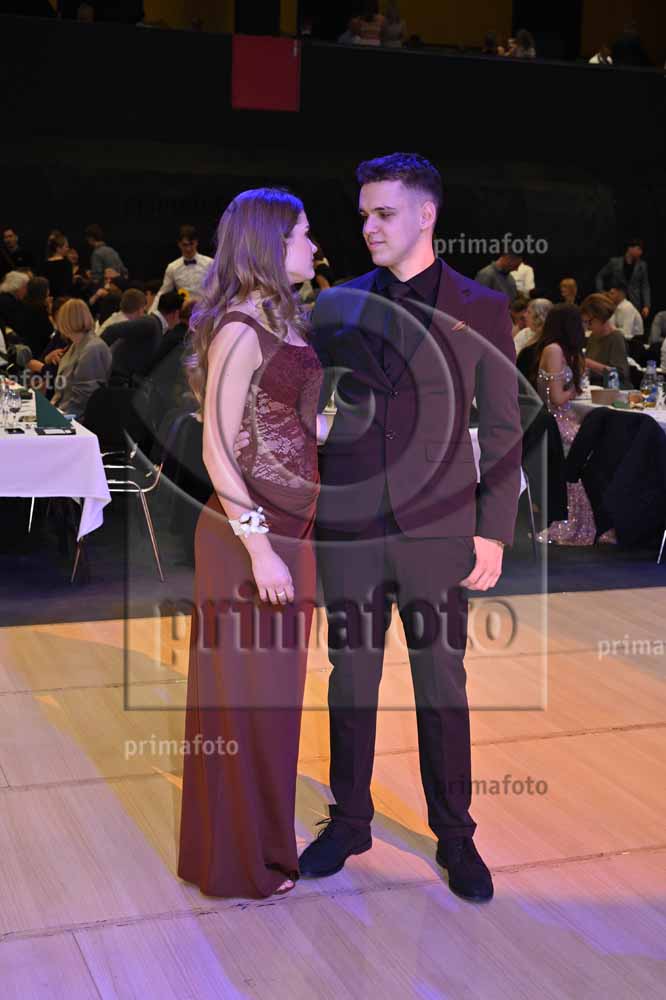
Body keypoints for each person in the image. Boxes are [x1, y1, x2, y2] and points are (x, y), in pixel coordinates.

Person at [298, 153, 522, 903]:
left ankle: (455, 834)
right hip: (352, 528)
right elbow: (302, 399)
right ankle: (349, 821)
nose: (368, 226)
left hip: (439, 527)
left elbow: (503, 426)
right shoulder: (337, 303)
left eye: (383, 213)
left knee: (442, 683)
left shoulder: (482, 307)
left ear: (426, 215)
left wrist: (494, 529)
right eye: (364, 214)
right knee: (351, 677)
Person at [177, 188, 322, 899]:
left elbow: (295, 424)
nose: (314, 245)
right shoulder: (238, 327)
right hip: (247, 541)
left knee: (275, 704)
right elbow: (216, 447)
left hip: (292, 531)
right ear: (270, 242)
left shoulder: (283, 319)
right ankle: (238, 859)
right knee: (246, 704)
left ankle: (262, 845)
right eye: (304, 233)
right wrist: (261, 549)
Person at [529, 304, 613, 546]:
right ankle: (582, 519)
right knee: (594, 446)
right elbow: (556, 398)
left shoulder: (560, 350)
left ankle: (601, 518)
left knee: (600, 439)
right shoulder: (554, 350)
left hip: (564, 417)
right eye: (581, 323)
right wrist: (575, 389)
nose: (584, 327)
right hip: (555, 421)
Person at [102, 289, 181, 383]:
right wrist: (98, 357)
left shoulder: (155, 324)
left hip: (124, 378)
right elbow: (111, 330)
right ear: (176, 313)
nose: (179, 322)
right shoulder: (150, 323)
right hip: (119, 378)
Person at [51, 299, 112, 417]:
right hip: (65, 411)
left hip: (78, 418)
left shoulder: (92, 348)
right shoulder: (76, 344)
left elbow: (84, 395)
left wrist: (58, 417)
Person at [151, 225, 213, 313]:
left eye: (191, 244)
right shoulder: (173, 267)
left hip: (206, 311)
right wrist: (152, 313)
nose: (188, 249)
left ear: (196, 242)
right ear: (179, 244)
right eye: (185, 245)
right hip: (183, 313)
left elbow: (217, 289)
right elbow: (162, 293)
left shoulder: (210, 264)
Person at [580, 292, 631, 387]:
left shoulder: (616, 337)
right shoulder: (593, 336)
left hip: (614, 390)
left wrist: (589, 364)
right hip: (595, 388)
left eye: (589, 322)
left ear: (601, 317)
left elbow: (620, 374)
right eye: (585, 322)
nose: (587, 327)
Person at [595, 239, 650, 318]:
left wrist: (646, 305)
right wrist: (601, 292)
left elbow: (645, 286)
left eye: (641, 250)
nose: (640, 252)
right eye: (638, 249)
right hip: (615, 301)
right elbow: (600, 276)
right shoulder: (615, 262)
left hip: (634, 303)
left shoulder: (642, 265)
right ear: (630, 248)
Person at [22, 276, 54, 358]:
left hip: (28, 346)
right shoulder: (39, 310)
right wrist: (50, 312)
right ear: (44, 292)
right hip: (41, 350)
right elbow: (50, 332)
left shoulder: (23, 304)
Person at [43, 232, 74, 300]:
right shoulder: (67, 264)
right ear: (58, 248)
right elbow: (68, 285)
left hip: (49, 299)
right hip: (63, 300)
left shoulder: (45, 264)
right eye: (66, 246)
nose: (68, 249)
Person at [0, 271, 29, 337]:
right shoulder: (9, 303)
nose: (26, 291)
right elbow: (19, 326)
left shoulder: (7, 298)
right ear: (16, 287)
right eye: (24, 287)